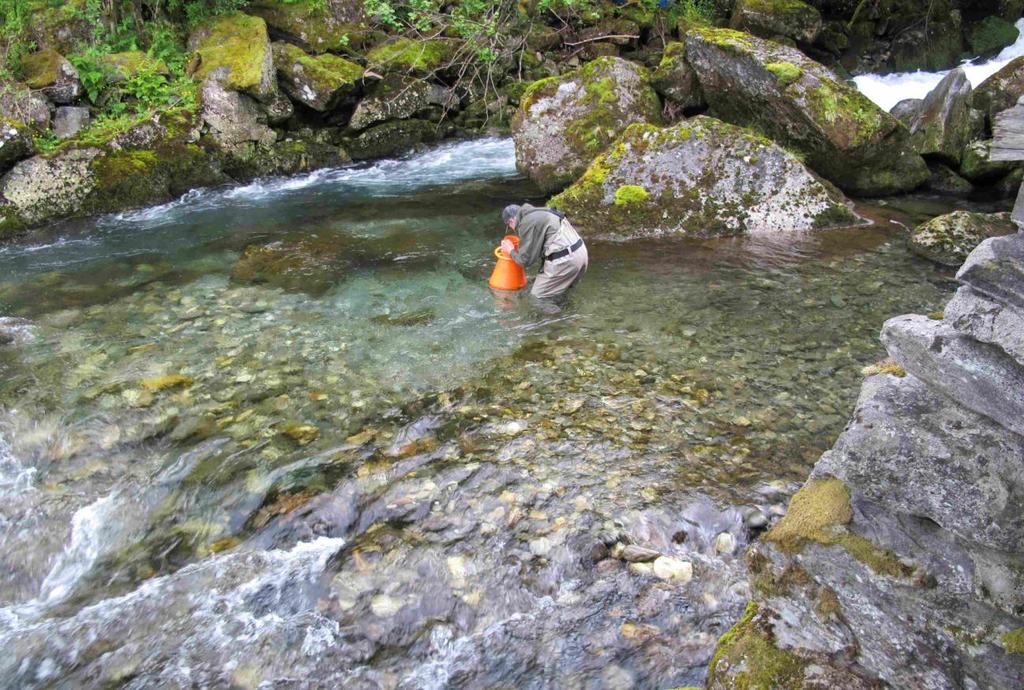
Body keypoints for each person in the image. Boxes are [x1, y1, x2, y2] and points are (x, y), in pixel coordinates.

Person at [500, 203, 588, 306]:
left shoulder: (526, 223)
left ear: (511, 221)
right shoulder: (540, 212)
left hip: (566, 260)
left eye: (509, 226)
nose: (512, 229)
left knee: (538, 298)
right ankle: (573, 318)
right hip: (581, 253)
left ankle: (557, 321)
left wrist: (510, 250)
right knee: (562, 294)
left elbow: (525, 260)